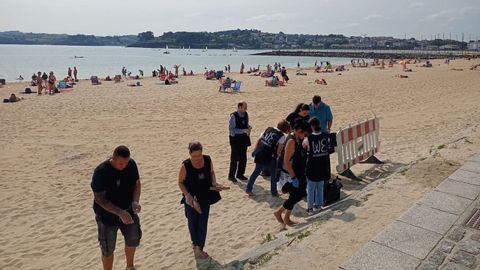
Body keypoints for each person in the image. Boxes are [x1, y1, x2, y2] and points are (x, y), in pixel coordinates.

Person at [90, 146, 142, 270]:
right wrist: (119, 212)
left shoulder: (131, 165)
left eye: (126, 163)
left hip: (129, 211)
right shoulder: (101, 171)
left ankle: (130, 267)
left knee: (133, 239)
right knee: (107, 248)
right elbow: (99, 198)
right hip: (107, 216)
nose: (124, 166)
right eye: (120, 163)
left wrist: (135, 201)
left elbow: (137, 183)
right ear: (113, 158)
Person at [178, 142, 225, 260]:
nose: (198, 158)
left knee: (202, 223)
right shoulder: (185, 165)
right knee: (192, 222)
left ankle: (200, 248)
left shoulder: (208, 160)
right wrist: (187, 195)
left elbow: (211, 173)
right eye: (194, 156)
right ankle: (195, 245)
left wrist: (214, 182)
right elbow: (180, 182)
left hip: (206, 196)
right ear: (190, 155)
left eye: (199, 155)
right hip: (191, 198)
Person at [273, 121, 309, 227]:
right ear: (298, 131)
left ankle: (286, 217)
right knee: (296, 195)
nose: (305, 136)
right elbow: (286, 161)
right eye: (304, 134)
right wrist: (293, 177)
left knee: (298, 194)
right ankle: (279, 212)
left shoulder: (298, 138)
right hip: (290, 173)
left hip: (299, 170)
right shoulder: (291, 141)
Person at [246, 120, 291, 197]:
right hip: (270, 155)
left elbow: (259, 140)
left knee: (256, 172)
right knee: (273, 174)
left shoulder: (268, 129)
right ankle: (274, 192)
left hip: (260, 152)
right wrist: (278, 157)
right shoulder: (282, 136)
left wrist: (255, 150)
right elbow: (279, 149)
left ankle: (248, 189)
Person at [303, 118, 331, 215]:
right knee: (320, 187)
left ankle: (310, 208)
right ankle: (319, 205)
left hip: (312, 165)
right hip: (323, 165)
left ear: (311, 127)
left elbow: (304, 147)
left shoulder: (308, 139)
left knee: (310, 188)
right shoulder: (325, 136)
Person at [228, 101, 252, 182]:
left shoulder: (246, 114)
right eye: (244, 108)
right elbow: (232, 129)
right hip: (235, 139)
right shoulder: (233, 116)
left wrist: (249, 127)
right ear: (239, 107)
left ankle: (240, 174)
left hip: (244, 139)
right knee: (234, 158)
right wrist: (243, 130)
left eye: (246, 108)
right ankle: (231, 176)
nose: (246, 109)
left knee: (243, 158)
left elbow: (246, 124)